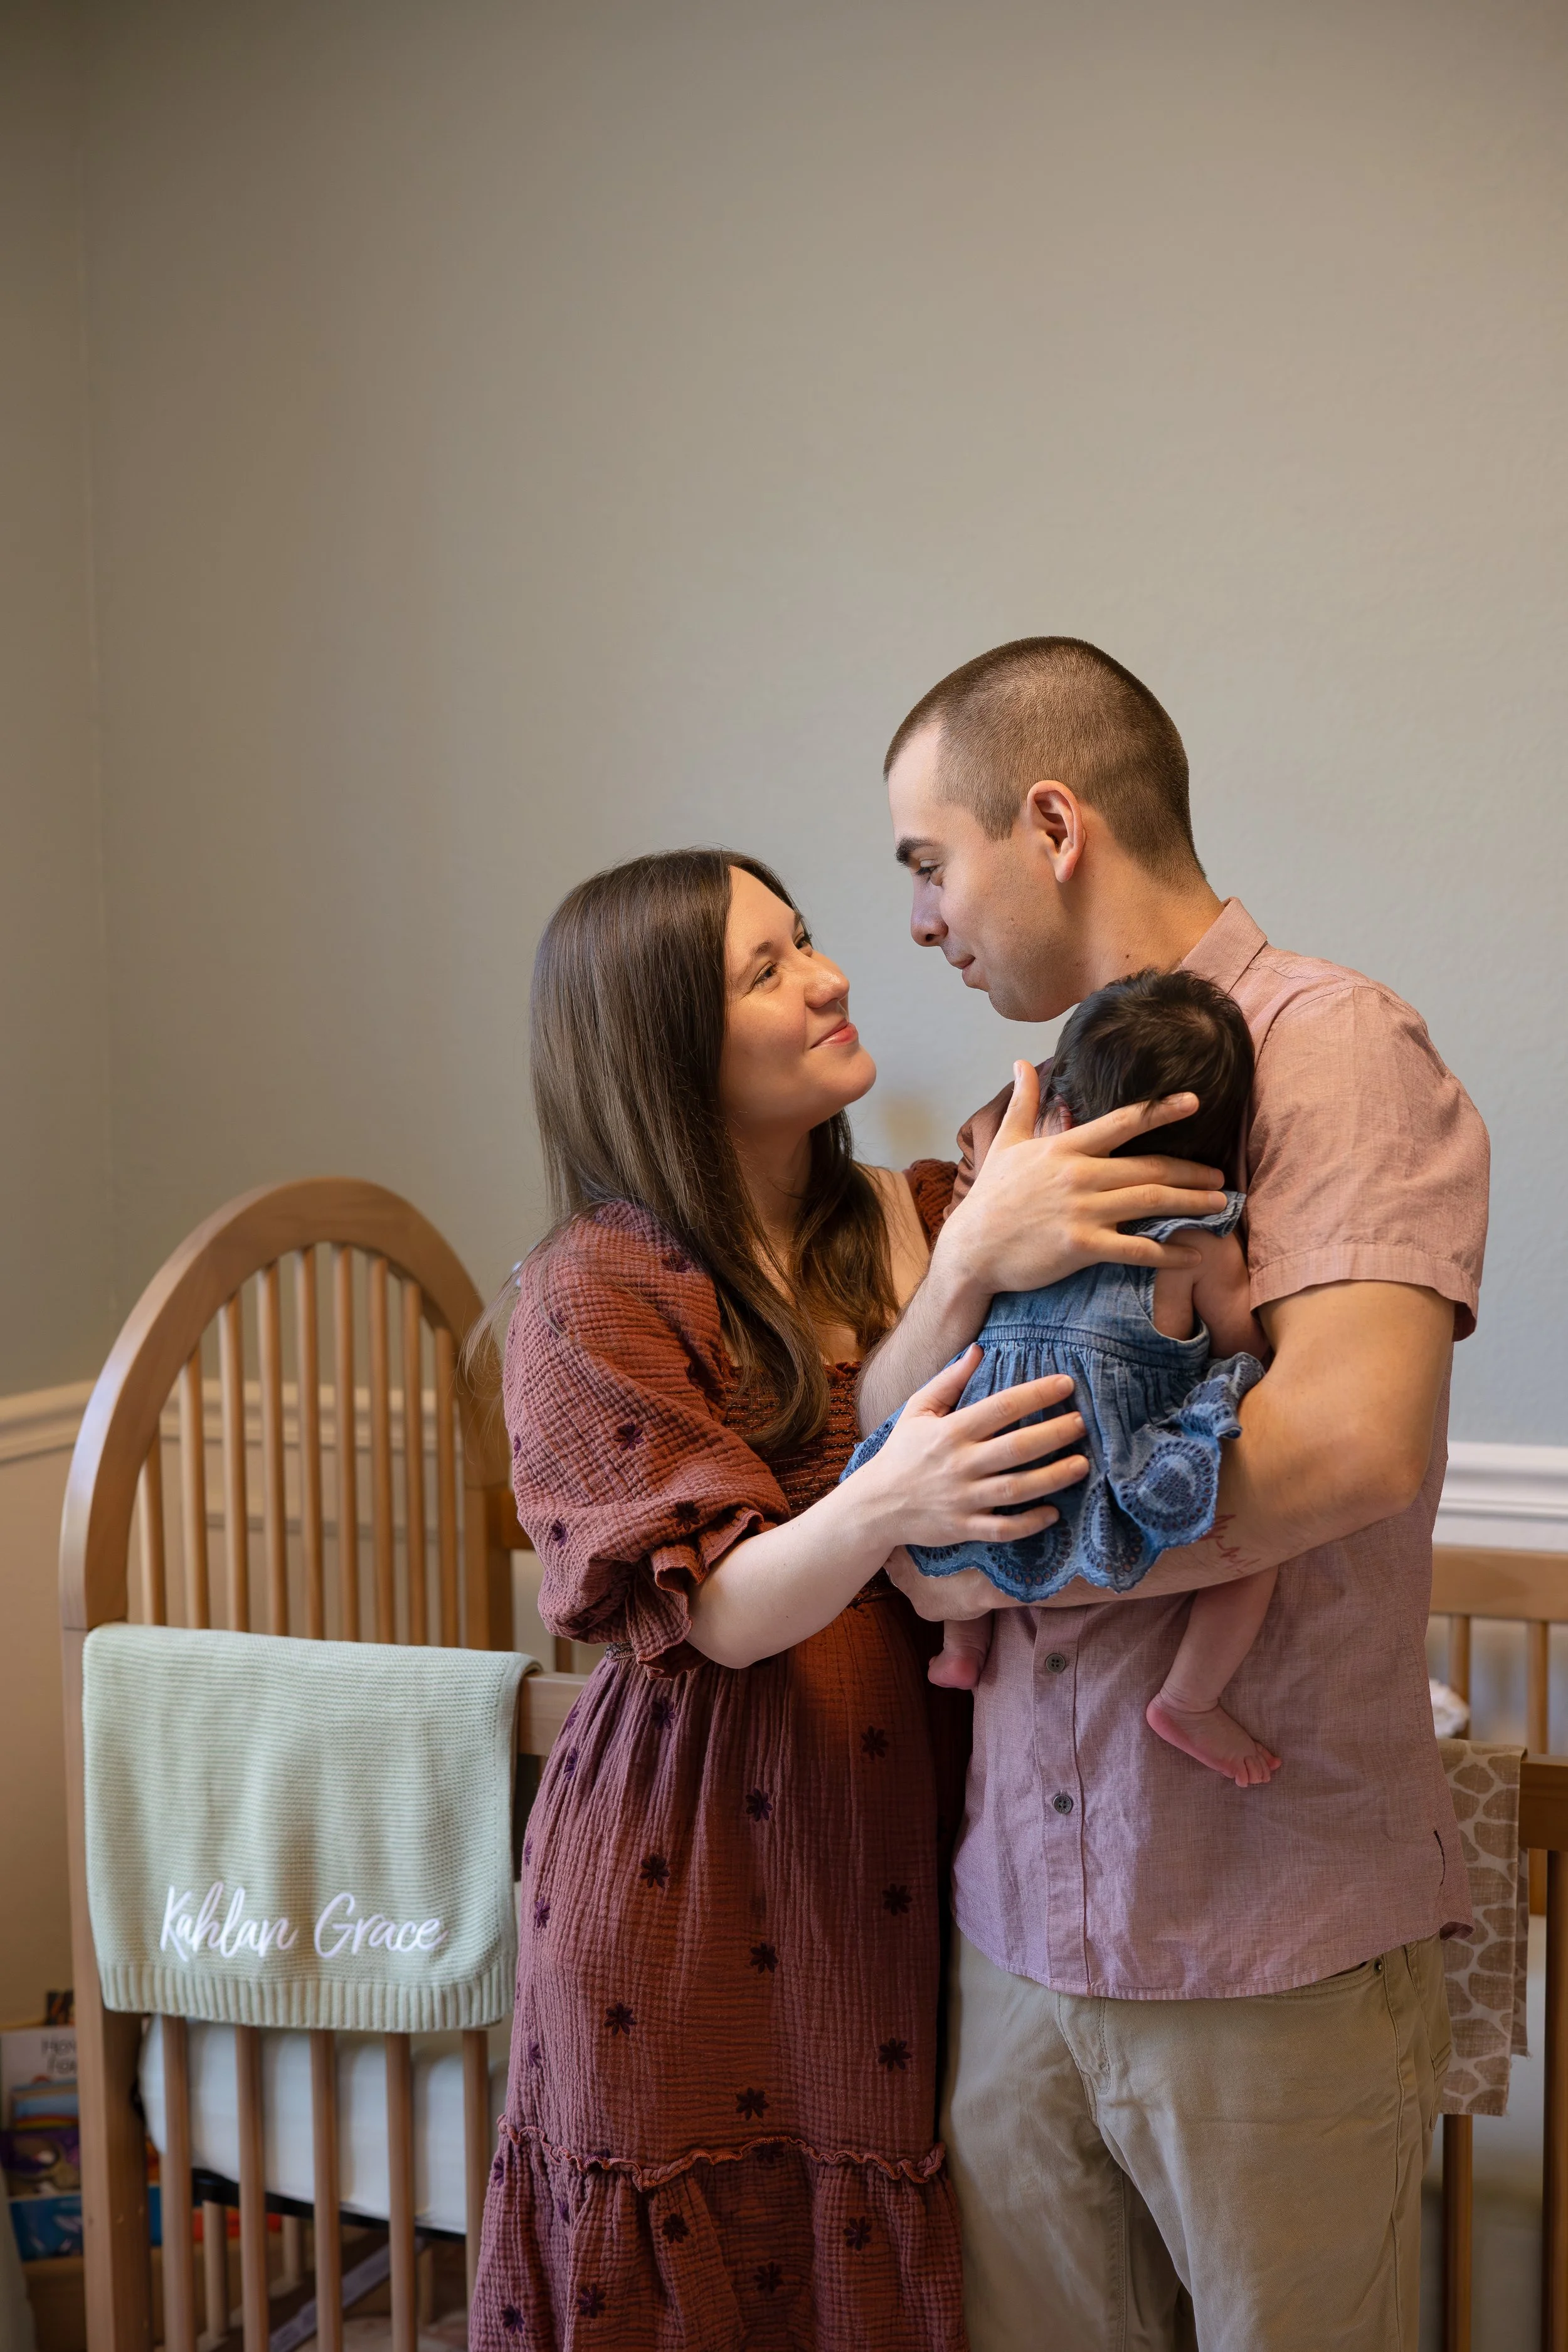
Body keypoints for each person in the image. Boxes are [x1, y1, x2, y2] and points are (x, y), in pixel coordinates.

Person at [468, 847, 1220, 2350]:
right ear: (662, 1047)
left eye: (804, 940)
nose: (829, 979)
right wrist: (888, 1498)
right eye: (767, 971)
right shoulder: (594, 1289)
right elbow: (719, 1613)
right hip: (691, 1864)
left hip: (901, 1845)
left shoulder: (923, 1208)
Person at [856, 638, 1488, 2352]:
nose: (916, 919)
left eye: (929, 861)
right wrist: (957, 1272)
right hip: (1017, 1932)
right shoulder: (1018, 1123)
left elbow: (1351, 1441)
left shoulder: (1332, 1049)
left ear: (1051, 824)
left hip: (1259, 1938)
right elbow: (893, 1447)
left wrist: (982, 1565)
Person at [849, 967, 1281, 1791]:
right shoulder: (1198, 1242)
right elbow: (1249, 1345)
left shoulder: (1009, 1220)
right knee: (1258, 1552)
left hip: (985, 1472)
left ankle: (962, 1644)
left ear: (1064, 1115)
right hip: (1103, 1475)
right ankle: (1189, 1698)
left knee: (957, 1523)